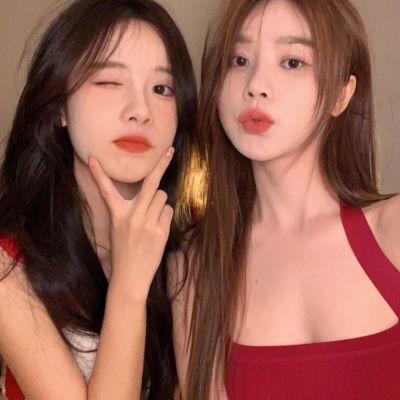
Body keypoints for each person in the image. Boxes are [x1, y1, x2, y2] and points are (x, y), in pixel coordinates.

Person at [170, 0, 400, 398]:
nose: (256, 84)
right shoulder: (194, 265)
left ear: (341, 95)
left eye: (292, 62)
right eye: (239, 60)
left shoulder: (393, 231)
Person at [0, 0, 197, 399]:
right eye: (109, 82)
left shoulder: (188, 255)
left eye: (162, 89)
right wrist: (129, 284)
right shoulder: (8, 264)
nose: (140, 111)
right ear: (60, 107)